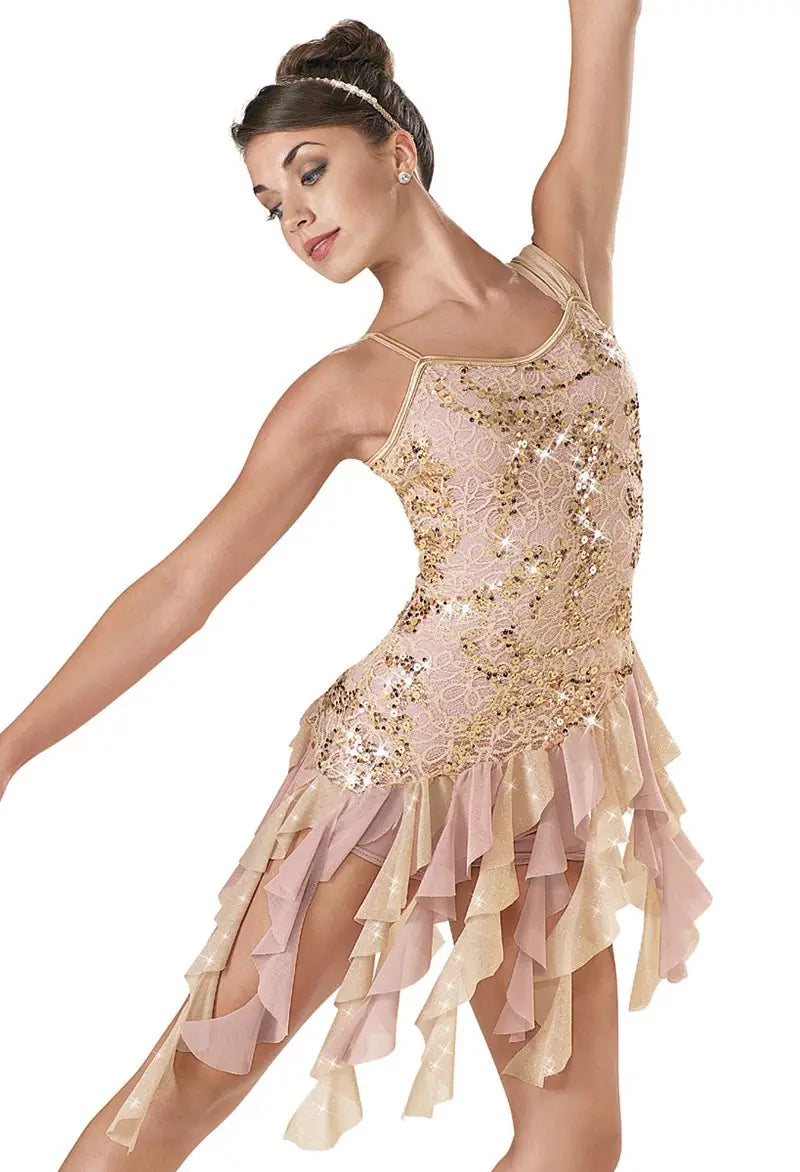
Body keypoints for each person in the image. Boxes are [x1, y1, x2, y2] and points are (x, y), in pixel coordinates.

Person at [0, 10, 712, 1172]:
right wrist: (9, 749)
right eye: (270, 204)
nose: (295, 218)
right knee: (186, 1089)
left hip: (550, 763)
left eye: (309, 171)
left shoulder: (568, 256)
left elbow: (605, 22)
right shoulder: (351, 385)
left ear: (397, 151)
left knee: (574, 1142)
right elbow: (182, 584)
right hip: (394, 764)